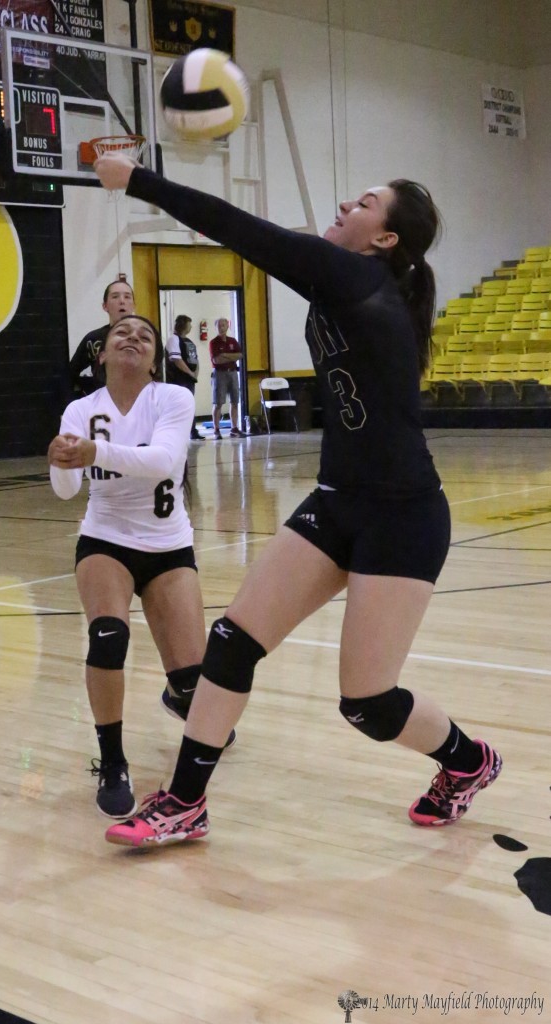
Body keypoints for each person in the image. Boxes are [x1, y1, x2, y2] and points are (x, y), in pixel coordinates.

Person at [93, 155, 502, 848]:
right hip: (337, 501)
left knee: (367, 703)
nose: (349, 203)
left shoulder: (359, 277)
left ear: (385, 239)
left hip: (403, 516)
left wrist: (139, 181)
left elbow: (244, 231)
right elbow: (262, 236)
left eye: (366, 202)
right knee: (232, 642)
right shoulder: (352, 275)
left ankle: (468, 762)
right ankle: (185, 803)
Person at [48, 314, 234, 819]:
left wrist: (92, 451)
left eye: (145, 336)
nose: (132, 339)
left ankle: (179, 694)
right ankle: (112, 761)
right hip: (105, 540)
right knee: (108, 637)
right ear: (102, 353)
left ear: (154, 358)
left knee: (196, 681)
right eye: (121, 334)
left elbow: (162, 461)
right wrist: (60, 463)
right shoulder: (80, 410)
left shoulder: (171, 399)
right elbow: (66, 492)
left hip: (168, 547)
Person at [68, 279, 135, 396]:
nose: (122, 301)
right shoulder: (93, 339)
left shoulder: (145, 337)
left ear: (134, 305)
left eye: (127, 297)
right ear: (105, 306)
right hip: (103, 405)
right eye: (115, 297)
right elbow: (70, 372)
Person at [165, 314, 204, 441]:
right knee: (179, 405)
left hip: (189, 379)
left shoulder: (189, 342)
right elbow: (177, 360)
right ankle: (178, 432)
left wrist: (195, 373)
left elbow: (195, 360)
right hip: (178, 379)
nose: (191, 326)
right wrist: (189, 372)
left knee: (189, 404)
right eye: (189, 324)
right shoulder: (173, 339)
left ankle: (192, 430)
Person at [209, 318, 245, 439]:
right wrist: (231, 357)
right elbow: (216, 360)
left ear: (227, 326)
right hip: (220, 374)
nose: (221, 327)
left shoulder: (232, 341)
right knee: (218, 403)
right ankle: (216, 429)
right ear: (216, 327)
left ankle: (234, 428)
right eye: (219, 325)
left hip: (233, 373)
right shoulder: (213, 342)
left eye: (224, 325)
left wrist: (225, 355)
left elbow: (240, 355)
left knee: (235, 401)